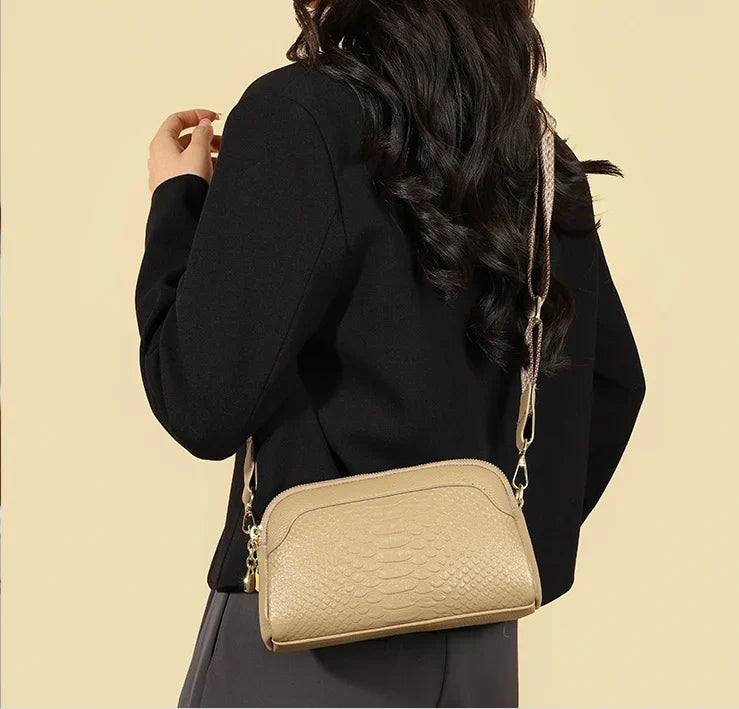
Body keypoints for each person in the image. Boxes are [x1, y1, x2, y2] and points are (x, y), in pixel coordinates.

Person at [136, 1, 646, 706]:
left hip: (305, 644)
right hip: (477, 649)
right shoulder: (533, 155)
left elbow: (200, 399)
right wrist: (486, 547)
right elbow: (613, 385)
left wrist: (179, 201)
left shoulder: (300, 116)